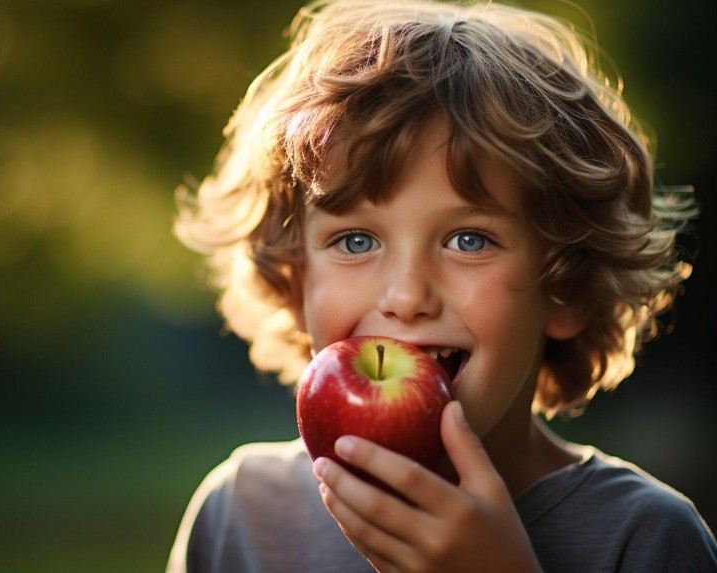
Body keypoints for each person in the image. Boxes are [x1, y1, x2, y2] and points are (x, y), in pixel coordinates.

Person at [164, 0, 717, 572]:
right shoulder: (243, 516)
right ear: (294, 280)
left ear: (568, 287)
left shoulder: (646, 540)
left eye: (469, 240)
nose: (406, 297)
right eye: (356, 241)